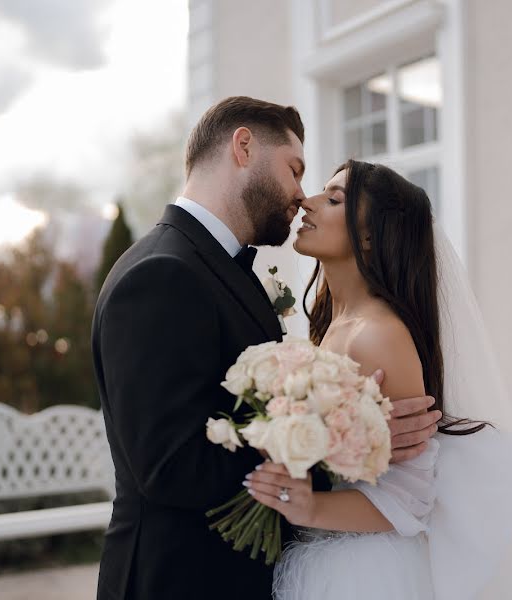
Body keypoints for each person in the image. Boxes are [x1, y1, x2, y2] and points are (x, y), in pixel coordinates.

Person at [91, 98, 441, 600]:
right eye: (295, 171)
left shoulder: (218, 269)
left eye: (327, 192)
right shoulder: (162, 274)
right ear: (243, 146)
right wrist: (345, 438)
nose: (302, 197)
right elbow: (170, 467)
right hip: (178, 578)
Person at [245, 161, 512, 599]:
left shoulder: (378, 334)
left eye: (333, 199)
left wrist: (309, 505)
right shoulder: (331, 324)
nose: (306, 202)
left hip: (361, 572)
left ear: (370, 235)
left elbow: (411, 499)